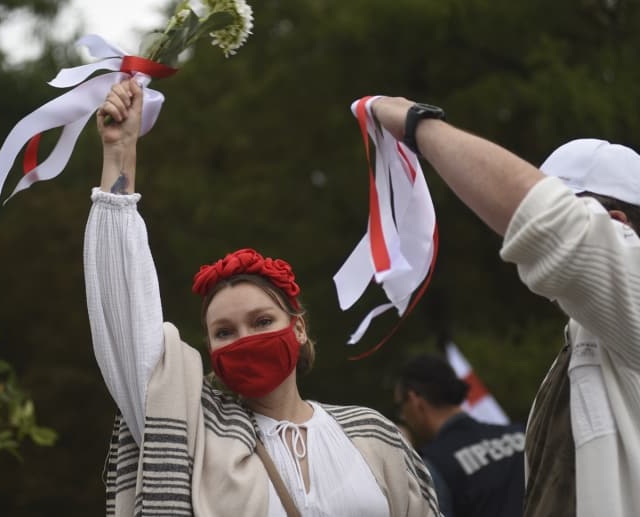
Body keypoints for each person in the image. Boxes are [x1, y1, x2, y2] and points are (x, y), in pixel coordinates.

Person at [82, 78, 440, 517]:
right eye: (224, 332)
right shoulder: (193, 431)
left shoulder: (371, 434)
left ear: (299, 327)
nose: (245, 339)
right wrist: (119, 152)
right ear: (210, 350)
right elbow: (125, 318)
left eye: (262, 321)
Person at [369, 97, 640, 517]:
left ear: (617, 226)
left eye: (569, 208)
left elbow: (550, 225)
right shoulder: (597, 340)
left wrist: (417, 124)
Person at [396, 354, 525, 517]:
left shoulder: (433, 466)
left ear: (414, 400)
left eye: (400, 406)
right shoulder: (521, 434)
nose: (403, 416)